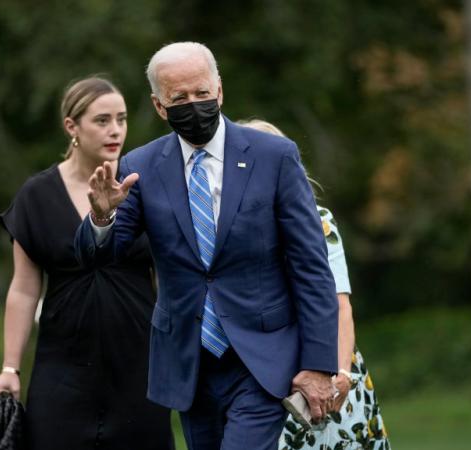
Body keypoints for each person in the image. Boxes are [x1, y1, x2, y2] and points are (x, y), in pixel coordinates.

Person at [74, 42, 340, 450]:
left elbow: (311, 267)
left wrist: (319, 365)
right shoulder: (139, 168)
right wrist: (101, 218)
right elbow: (97, 257)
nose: (193, 104)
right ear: (159, 106)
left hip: (263, 360)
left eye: (200, 93)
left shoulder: (274, 157)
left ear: (219, 91)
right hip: (190, 364)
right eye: (179, 98)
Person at [0, 76, 173, 450]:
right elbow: (23, 289)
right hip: (63, 368)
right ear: (72, 126)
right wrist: (10, 368)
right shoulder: (37, 195)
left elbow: (168, 279)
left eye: (121, 119)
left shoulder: (144, 186)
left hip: (139, 364)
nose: (115, 130)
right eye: (102, 120)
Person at [238, 119, 391, 450]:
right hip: (264, 373)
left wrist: (339, 371)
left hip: (327, 367)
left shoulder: (316, 220)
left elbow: (339, 303)